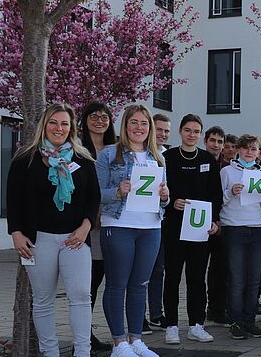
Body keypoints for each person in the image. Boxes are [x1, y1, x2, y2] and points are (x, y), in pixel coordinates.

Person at [7, 103, 101, 357]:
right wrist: (16, 232)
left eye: (64, 124)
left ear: (71, 129)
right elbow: (13, 200)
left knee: (81, 294)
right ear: (44, 125)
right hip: (38, 240)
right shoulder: (24, 159)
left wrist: (85, 227)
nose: (58, 128)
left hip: (75, 239)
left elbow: (94, 198)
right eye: (53, 123)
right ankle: (50, 353)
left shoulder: (83, 159)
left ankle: (82, 351)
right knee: (43, 299)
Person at [96, 104, 169, 357]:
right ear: (125, 125)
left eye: (144, 123)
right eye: (134, 122)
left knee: (141, 284)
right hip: (118, 225)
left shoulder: (158, 156)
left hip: (151, 227)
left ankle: (136, 339)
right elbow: (96, 195)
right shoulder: (108, 154)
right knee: (117, 284)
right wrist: (117, 192)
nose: (139, 128)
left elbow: (163, 197)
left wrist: (165, 196)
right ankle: (119, 343)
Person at [161, 114, 222, 345]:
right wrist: (172, 201)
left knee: (197, 278)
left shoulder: (207, 158)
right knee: (173, 278)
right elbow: (162, 188)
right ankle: (172, 326)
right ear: (180, 131)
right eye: (188, 130)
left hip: (200, 229)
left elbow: (215, 194)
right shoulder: (168, 157)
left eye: (196, 131)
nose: (192, 135)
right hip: (175, 227)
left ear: (200, 134)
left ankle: (197, 324)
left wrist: (215, 221)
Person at [219, 134, 261, 340]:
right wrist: (230, 193)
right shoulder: (227, 172)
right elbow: (219, 201)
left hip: (256, 229)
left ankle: (249, 321)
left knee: (254, 280)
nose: (249, 152)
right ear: (238, 150)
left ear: (259, 154)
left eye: (253, 149)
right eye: (245, 149)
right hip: (234, 229)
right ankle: (235, 321)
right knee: (237, 279)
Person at [78, 102, 117, 352]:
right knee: (87, 283)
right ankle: (83, 336)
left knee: (101, 276)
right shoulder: (78, 149)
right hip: (86, 223)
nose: (100, 120)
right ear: (84, 120)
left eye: (105, 117)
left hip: (111, 222)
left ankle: (87, 331)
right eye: (94, 116)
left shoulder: (116, 150)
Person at [145, 113, 171, 332]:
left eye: (166, 131)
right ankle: (137, 316)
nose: (162, 134)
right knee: (137, 272)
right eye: (159, 129)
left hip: (158, 220)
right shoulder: (137, 154)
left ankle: (155, 313)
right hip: (134, 221)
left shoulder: (165, 156)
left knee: (157, 269)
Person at [203, 125, 230, 325]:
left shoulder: (227, 166)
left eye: (220, 141)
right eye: (213, 140)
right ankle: (201, 310)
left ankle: (217, 308)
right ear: (206, 141)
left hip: (223, 222)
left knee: (220, 269)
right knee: (198, 268)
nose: (216, 145)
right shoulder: (199, 160)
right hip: (201, 221)